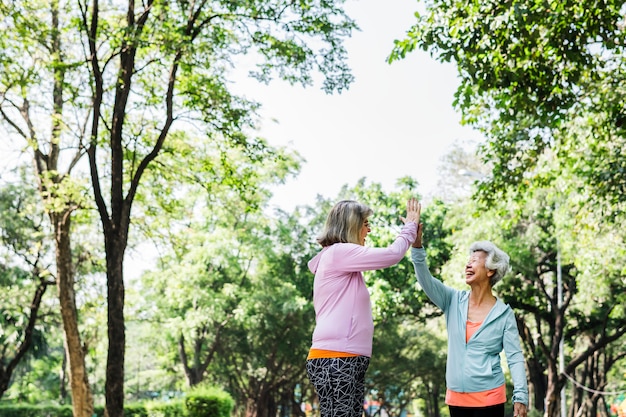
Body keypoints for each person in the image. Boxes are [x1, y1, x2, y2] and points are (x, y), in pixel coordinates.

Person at [306, 198, 421, 417]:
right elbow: (392, 255)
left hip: (345, 357)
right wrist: (410, 228)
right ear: (351, 225)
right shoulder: (338, 253)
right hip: (336, 357)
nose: (369, 229)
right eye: (365, 223)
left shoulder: (341, 260)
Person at [411, 219, 528, 417]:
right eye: (467, 261)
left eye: (474, 261)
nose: (468, 265)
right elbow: (425, 279)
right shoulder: (452, 300)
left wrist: (521, 395)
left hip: (490, 397)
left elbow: (515, 357)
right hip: (456, 398)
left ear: (491, 270)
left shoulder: (504, 314)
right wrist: (417, 246)